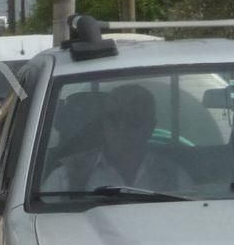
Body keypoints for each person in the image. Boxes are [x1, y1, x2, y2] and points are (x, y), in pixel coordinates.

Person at [43, 82, 188, 193]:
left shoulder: (174, 177)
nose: (122, 127)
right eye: (114, 118)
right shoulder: (66, 177)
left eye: (133, 120)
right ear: (104, 123)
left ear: (150, 128)